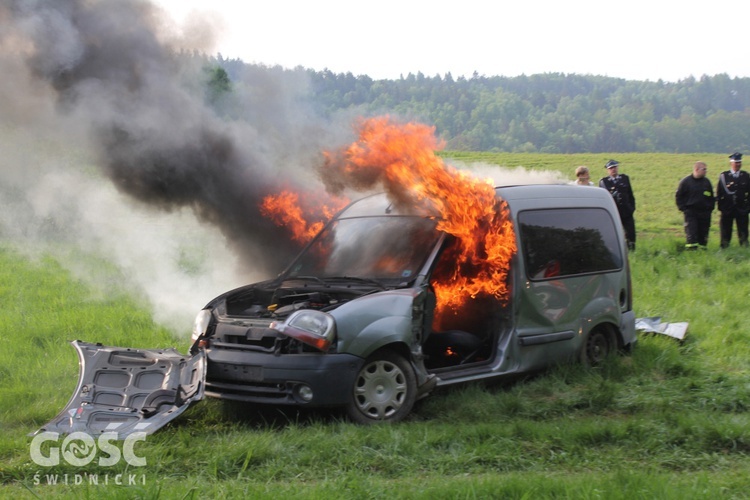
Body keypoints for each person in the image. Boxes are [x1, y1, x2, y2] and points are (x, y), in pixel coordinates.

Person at [675, 161, 715, 250]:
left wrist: (710, 208)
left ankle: (702, 250)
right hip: (691, 212)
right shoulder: (686, 182)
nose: (706, 171)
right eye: (704, 169)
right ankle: (691, 250)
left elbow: (711, 196)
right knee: (692, 232)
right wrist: (683, 209)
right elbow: (679, 196)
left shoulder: (707, 182)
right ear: (697, 169)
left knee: (703, 232)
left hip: (705, 213)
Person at [599, 159, 636, 250]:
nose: (613, 169)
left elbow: (630, 194)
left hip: (626, 211)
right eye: (611, 168)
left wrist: (631, 208)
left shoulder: (624, 179)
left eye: (615, 167)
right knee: (613, 232)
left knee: (630, 232)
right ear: (608, 170)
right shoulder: (604, 182)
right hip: (613, 211)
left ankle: (631, 249)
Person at [717, 152, 750, 248]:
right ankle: (724, 248)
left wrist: (748, 207)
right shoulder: (724, 176)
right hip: (727, 208)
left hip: (742, 208)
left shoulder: (745, 176)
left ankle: (744, 248)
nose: (738, 164)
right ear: (731, 163)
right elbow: (719, 193)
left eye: (739, 162)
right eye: (736, 162)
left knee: (743, 231)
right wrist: (721, 207)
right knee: (725, 231)